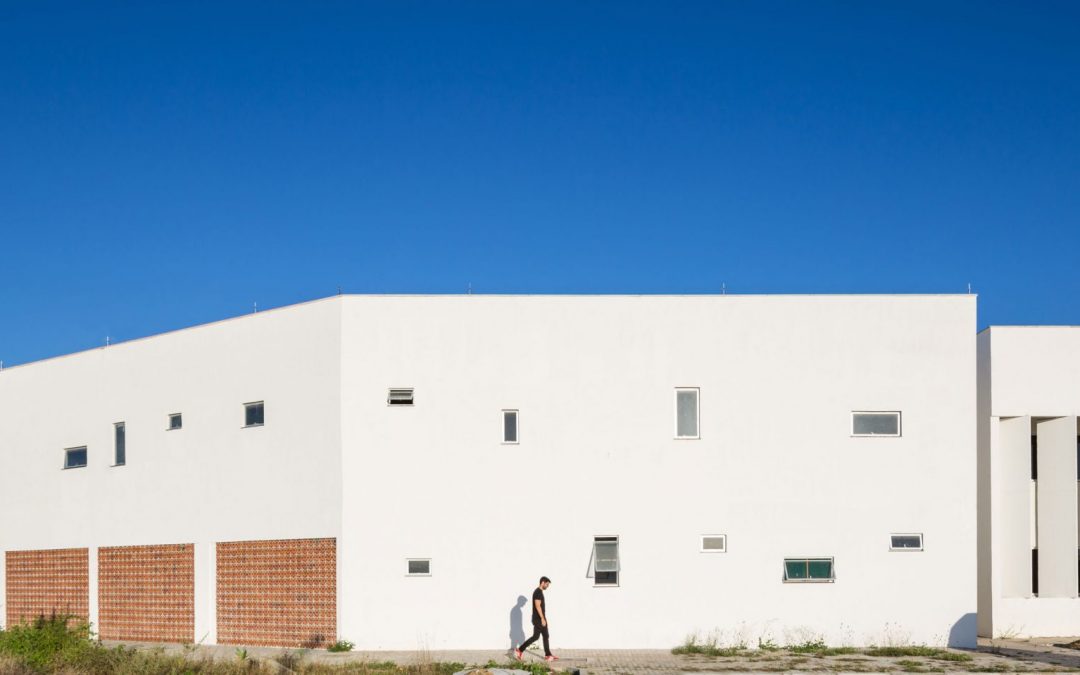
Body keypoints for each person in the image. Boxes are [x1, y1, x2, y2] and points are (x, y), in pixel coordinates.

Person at [515, 576, 557, 662]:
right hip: (539, 619)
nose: (547, 586)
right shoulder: (538, 592)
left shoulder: (539, 592)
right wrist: (542, 618)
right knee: (539, 636)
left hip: (539, 618)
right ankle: (520, 650)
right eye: (547, 584)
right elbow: (538, 606)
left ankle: (547, 654)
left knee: (541, 636)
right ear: (542, 583)